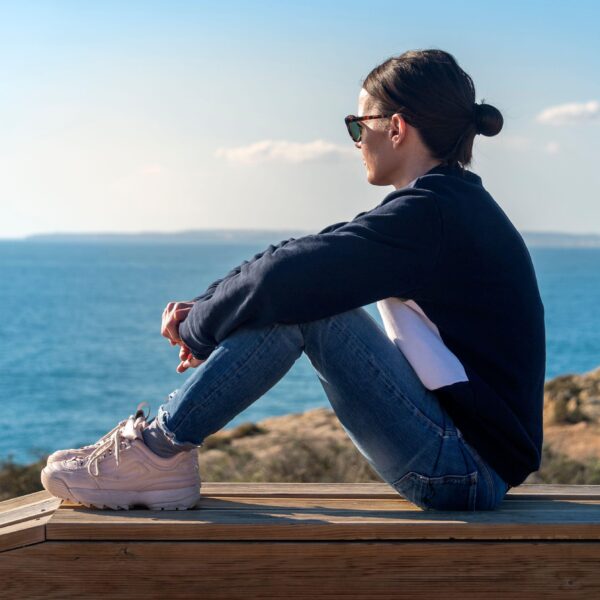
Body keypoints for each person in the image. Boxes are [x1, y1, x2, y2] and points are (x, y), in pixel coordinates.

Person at [41, 49, 545, 512]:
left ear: (395, 128)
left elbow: (289, 275)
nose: (354, 141)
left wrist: (201, 328)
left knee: (310, 309)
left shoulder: (432, 215)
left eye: (356, 125)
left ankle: (157, 454)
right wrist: (207, 305)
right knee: (303, 293)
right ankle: (157, 453)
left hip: (462, 470)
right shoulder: (442, 207)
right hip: (466, 457)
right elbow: (301, 254)